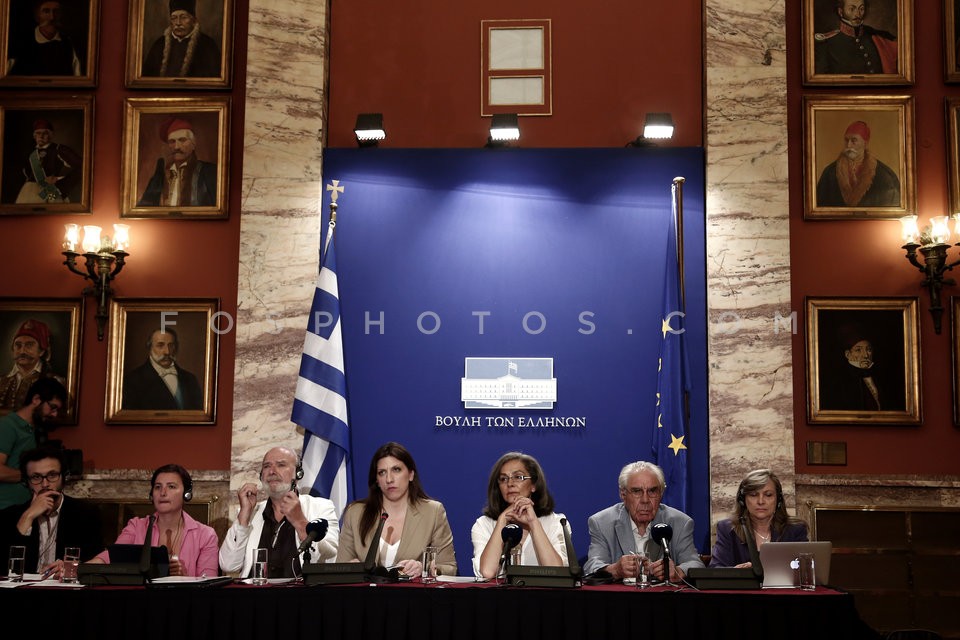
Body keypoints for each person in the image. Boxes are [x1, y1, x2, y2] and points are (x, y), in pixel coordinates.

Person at [338, 442, 456, 577]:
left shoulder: (433, 512)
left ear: (411, 474)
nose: (389, 479)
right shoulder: (355, 513)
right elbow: (339, 567)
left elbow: (450, 567)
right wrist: (350, 568)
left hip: (412, 590)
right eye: (382, 472)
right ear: (376, 480)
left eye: (396, 470)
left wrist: (424, 568)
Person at [220, 447, 340, 578]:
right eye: (267, 466)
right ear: (261, 475)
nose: (272, 471)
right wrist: (243, 518)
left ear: (298, 474)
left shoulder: (321, 507)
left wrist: (300, 522)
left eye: (281, 465)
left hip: (301, 590)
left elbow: (329, 558)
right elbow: (228, 565)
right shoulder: (251, 513)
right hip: (255, 590)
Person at [584, 460, 704, 582]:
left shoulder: (680, 523)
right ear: (623, 494)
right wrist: (615, 570)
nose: (645, 500)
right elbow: (592, 566)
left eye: (652, 491)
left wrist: (678, 572)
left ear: (661, 493)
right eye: (637, 491)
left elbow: (695, 564)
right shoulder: (602, 523)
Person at [90, 464, 218, 577]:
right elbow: (111, 557)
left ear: (186, 494)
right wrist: (83, 568)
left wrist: (185, 577)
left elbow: (209, 584)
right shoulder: (136, 526)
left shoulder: (206, 535)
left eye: (171, 486)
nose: (163, 493)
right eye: (157, 487)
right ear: (152, 494)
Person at [0, 446, 102, 578]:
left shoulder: (86, 513)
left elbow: (95, 563)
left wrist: (71, 567)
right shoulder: (9, 515)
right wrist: (28, 516)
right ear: (27, 482)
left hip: (65, 587)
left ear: (64, 477)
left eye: (52, 475)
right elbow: (4, 568)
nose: (45, 484)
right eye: (36, 477)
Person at [471, 451, 566, 580]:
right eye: (503, 479)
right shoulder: (484, 525)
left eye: (518, 477)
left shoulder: (556, 522)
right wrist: (502, 520)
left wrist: (533, 523)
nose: (510, 483)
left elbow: (556, 573)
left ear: (533, 485)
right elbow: (488, 572)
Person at [709, 469, 809, 568]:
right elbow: (716, 568)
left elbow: (806, 568)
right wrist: (738, 572)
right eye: (753, 495)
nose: (761, 501)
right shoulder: (727, 529)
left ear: (778, 500)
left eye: (768, 495)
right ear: (742, 500)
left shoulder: (795, 529)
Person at [0, 377, 66, 510]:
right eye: (52, 407)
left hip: (27, 507)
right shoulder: (8, 425)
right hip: (6, 509)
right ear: (36, 399)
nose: (54, 414)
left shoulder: (36, 430)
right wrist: (30, 476)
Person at [816, 120, 900, 208]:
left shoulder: (885, 175)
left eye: (854, 140)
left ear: (865, 143)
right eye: (846, 140)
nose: (848, 145)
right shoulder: (830, 172)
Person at [137, 117, 217, 207]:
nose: (176, 147)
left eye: (182, 140)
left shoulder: (209, 172)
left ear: (193, 143)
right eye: (172, 141)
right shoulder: (159, 177)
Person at [820, 324, 903, 411]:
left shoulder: (882, 376)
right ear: (848, 354)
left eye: (869, 349)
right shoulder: (838, 381)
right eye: (858, 350)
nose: (865, 355)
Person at [122, 328, 203, 411]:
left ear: (176, 347)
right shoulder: (132, 380)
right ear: (149, 348)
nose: (167, 352)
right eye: (160, 345)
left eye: (171, 345)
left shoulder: (190, 379)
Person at [0, 318, 67, 413]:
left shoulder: (56, 381)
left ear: (41, 351)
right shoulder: (2, 381)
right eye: (18, 345)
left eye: (29, 345)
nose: (22, 351)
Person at [814, 0, 897, 75]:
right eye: (852, 9)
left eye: (861, 9)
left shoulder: (875, 36)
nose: (857, 14)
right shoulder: (827, 43)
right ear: (840, 12)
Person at [142, 0, 221, 78]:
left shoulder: (207, 45)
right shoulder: (159, 45)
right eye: (174, 18)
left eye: (183, 17)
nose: (178, 23)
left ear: (193, 20)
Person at [13, 119, 82, 204]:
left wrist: (59, 180)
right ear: (34, 135)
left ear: (51, 135)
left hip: (50, 190)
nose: (41, 136)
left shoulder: (59, 149)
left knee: (53, 210)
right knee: (26, 210)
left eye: (45, 133)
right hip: (29, 192)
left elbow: (83, 167)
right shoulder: (30, 153)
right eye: (38, 133)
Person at [6, 1, 82, 77]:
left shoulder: (68, 42)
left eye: (56, 11)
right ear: (37, 15)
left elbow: (77, 74)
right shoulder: (23, 41)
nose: (52, 17)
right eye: (46, 11)